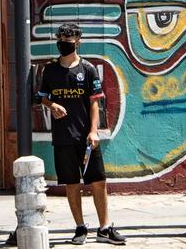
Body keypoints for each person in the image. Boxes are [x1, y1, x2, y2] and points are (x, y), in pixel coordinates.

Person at [38, 23, 126, 245]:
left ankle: (105, 228)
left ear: (77, 42)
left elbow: (95, 103)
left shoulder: (88, 69)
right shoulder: (50, 70)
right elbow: (42, 97)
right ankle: (80, 227)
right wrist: (52, 105)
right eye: (60, 40)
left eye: (67, 41)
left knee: (98, 181)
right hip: (62, 137)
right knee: (71, 183)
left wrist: (94, 131)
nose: (62, 45)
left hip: (87, 138)